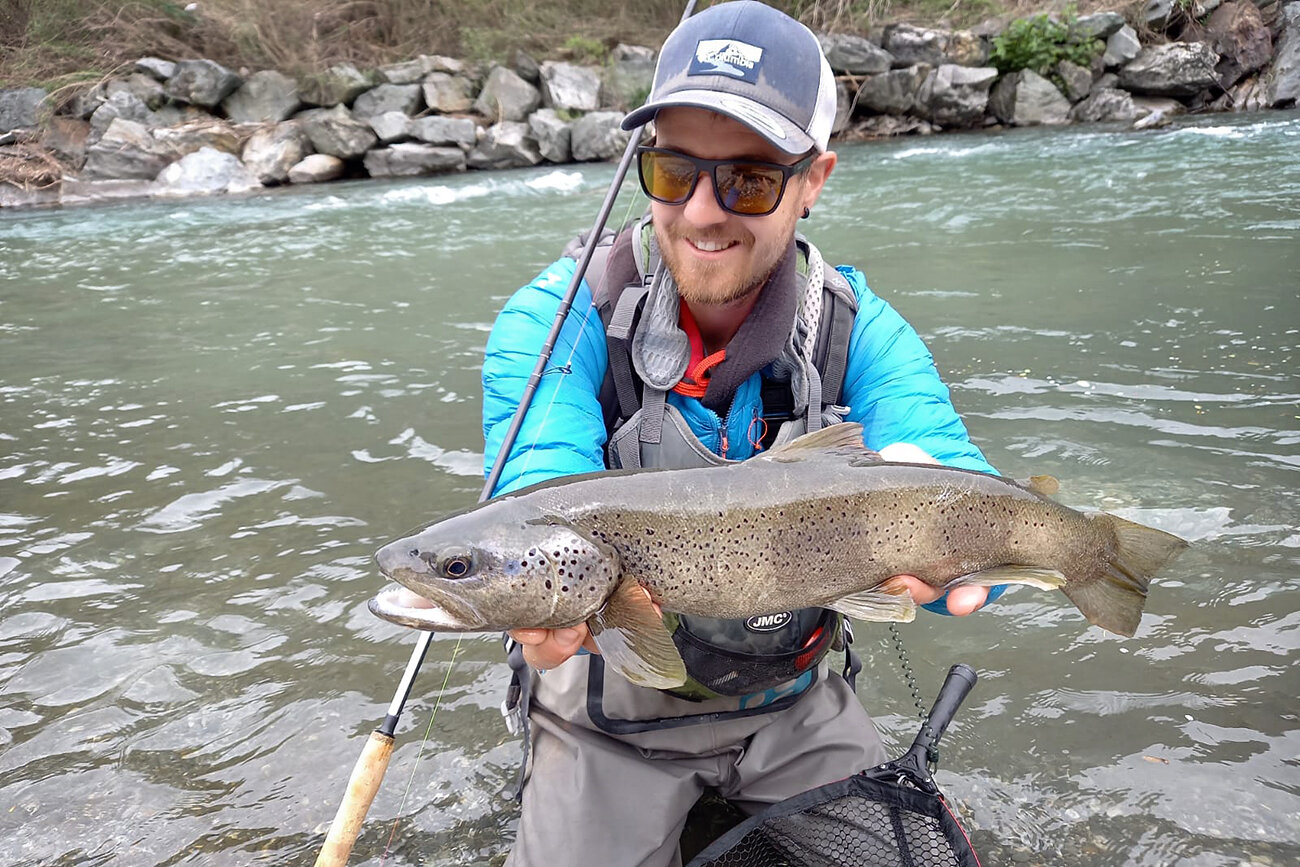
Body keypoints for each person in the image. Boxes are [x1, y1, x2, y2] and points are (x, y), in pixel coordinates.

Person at [480, 3, 1003, 864]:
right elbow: (537, 488)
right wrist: (531, 600)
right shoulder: (558, 314)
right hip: (609, 718)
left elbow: (951, 471)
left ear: (815, 178)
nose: (702, 212)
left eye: (750, 180)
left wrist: (958, 562)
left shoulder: (861, 333)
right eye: (672, 171)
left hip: (790, 706)